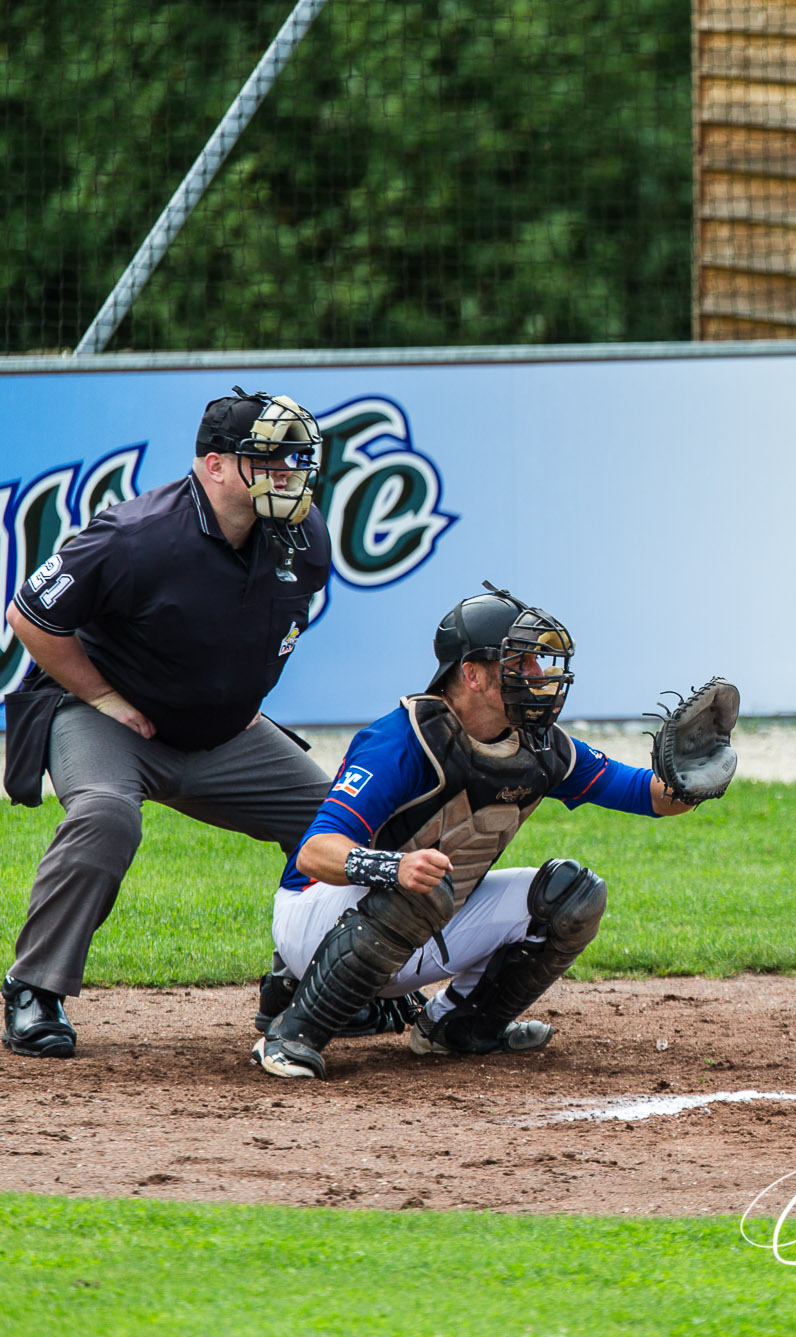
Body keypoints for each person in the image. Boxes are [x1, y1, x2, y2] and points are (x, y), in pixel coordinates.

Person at [252, 584, 707, 1081]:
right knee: (423, 884)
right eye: (519, 661)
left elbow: (649, 796)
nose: (537, 675)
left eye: (538, 661)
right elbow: (315, 853)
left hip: (420, 917)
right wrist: (395, 867)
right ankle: (293, 1033)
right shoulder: (403, 741)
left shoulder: (544, 747)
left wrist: (692, 781)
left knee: (574, 896)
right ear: (471, 673)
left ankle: (458, 1028)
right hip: (316, 918)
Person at [2, 389, 332, 1060]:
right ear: (213, 465)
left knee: (339, 821)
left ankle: (309, 984)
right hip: (110, 719)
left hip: (224, 734)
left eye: (294, 460)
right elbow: (31, 615)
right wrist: (104, 697)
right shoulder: (137, 535)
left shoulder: (304, 532)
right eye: (266, 461)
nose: (287, 477)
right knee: (106, 815)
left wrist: (237, 697)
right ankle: (32, 988)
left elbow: (275, 626)